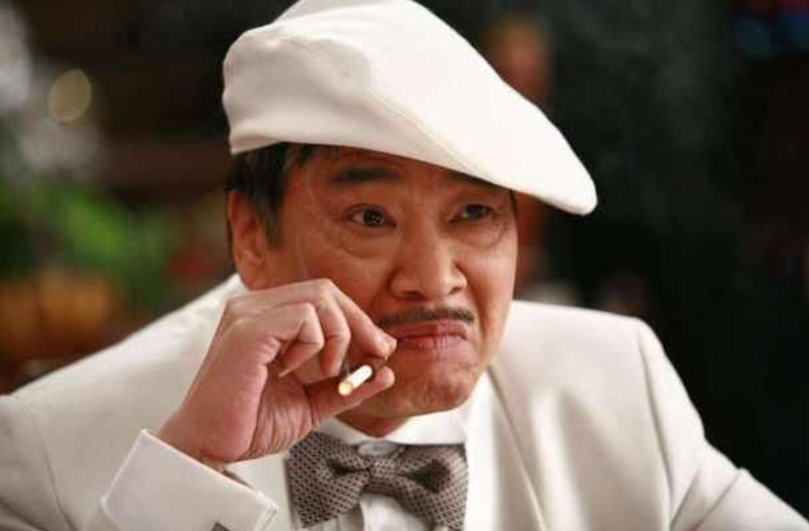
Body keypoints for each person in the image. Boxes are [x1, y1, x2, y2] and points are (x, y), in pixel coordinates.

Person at [1, 0, 806, 529]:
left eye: (472, 215)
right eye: (371, 217)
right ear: (250, 235)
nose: (433, 277)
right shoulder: (46, 443)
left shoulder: (613, 386)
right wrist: (189, 468)